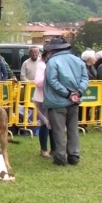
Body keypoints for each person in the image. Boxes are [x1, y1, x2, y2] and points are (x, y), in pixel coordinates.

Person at [42, 37, 88, 166]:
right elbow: (85, 78)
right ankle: (74, 156)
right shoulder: (78, 60)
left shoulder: (52, 61)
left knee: (59, 130)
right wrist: (78, 92)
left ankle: (61, 157)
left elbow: (52, 81)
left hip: (57, 102)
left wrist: (67, 94)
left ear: (53, 49)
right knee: (73, 129)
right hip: (75, 101)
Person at [32, 50, 55, 158]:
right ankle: (44, 149)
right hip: (42, 98)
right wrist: (51, 80)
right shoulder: (40, 65)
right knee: (45, 123)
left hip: (53, 97)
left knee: (53, 123)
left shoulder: (53, 63)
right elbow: (38, 82)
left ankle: (54, 149)